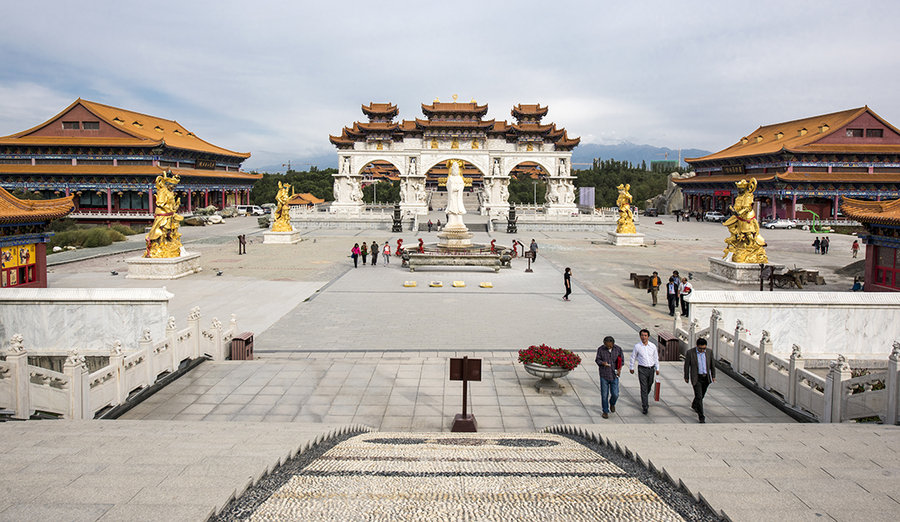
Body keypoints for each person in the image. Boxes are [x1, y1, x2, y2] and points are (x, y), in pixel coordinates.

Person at [684, 337, 716, 423]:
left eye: (704, 348)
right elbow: (686, 365)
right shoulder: (690, 353)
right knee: (699, 396)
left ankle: (695, 404)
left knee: (701, 395)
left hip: (706, 378)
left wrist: (713, 375)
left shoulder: (709, 352)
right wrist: (686, 376)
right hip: (696, 378)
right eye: (700, 348)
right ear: (697, 346)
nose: (702, 350)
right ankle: (701, 416)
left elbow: (712, 365)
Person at [629, 329, 659, 415]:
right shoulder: (637, 346)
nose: (644, 337)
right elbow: (633, 357)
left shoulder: (652, 346)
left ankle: (645, 396)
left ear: (648, 337)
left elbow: (655, 357)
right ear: (640, 336)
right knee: (643, 387)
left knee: (649, 384)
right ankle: (645, 406)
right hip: (642, 369)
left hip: (651, 369)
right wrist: (631, 367)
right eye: (642, 335)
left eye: (645, 336)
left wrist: (657, 368)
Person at [595, 336, 624, 419]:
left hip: (614, 375)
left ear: (613, 344)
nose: (609, 347)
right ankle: (605, 411)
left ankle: (612, 403)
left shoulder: (618, 349)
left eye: (610, 346)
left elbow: (621, 360)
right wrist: (603, 363)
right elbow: (597, 360)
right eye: (607, 346)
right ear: (604, 343)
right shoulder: (600, 349)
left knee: (615, 394)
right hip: (604, 375)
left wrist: (619, 369)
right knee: (604, 395)